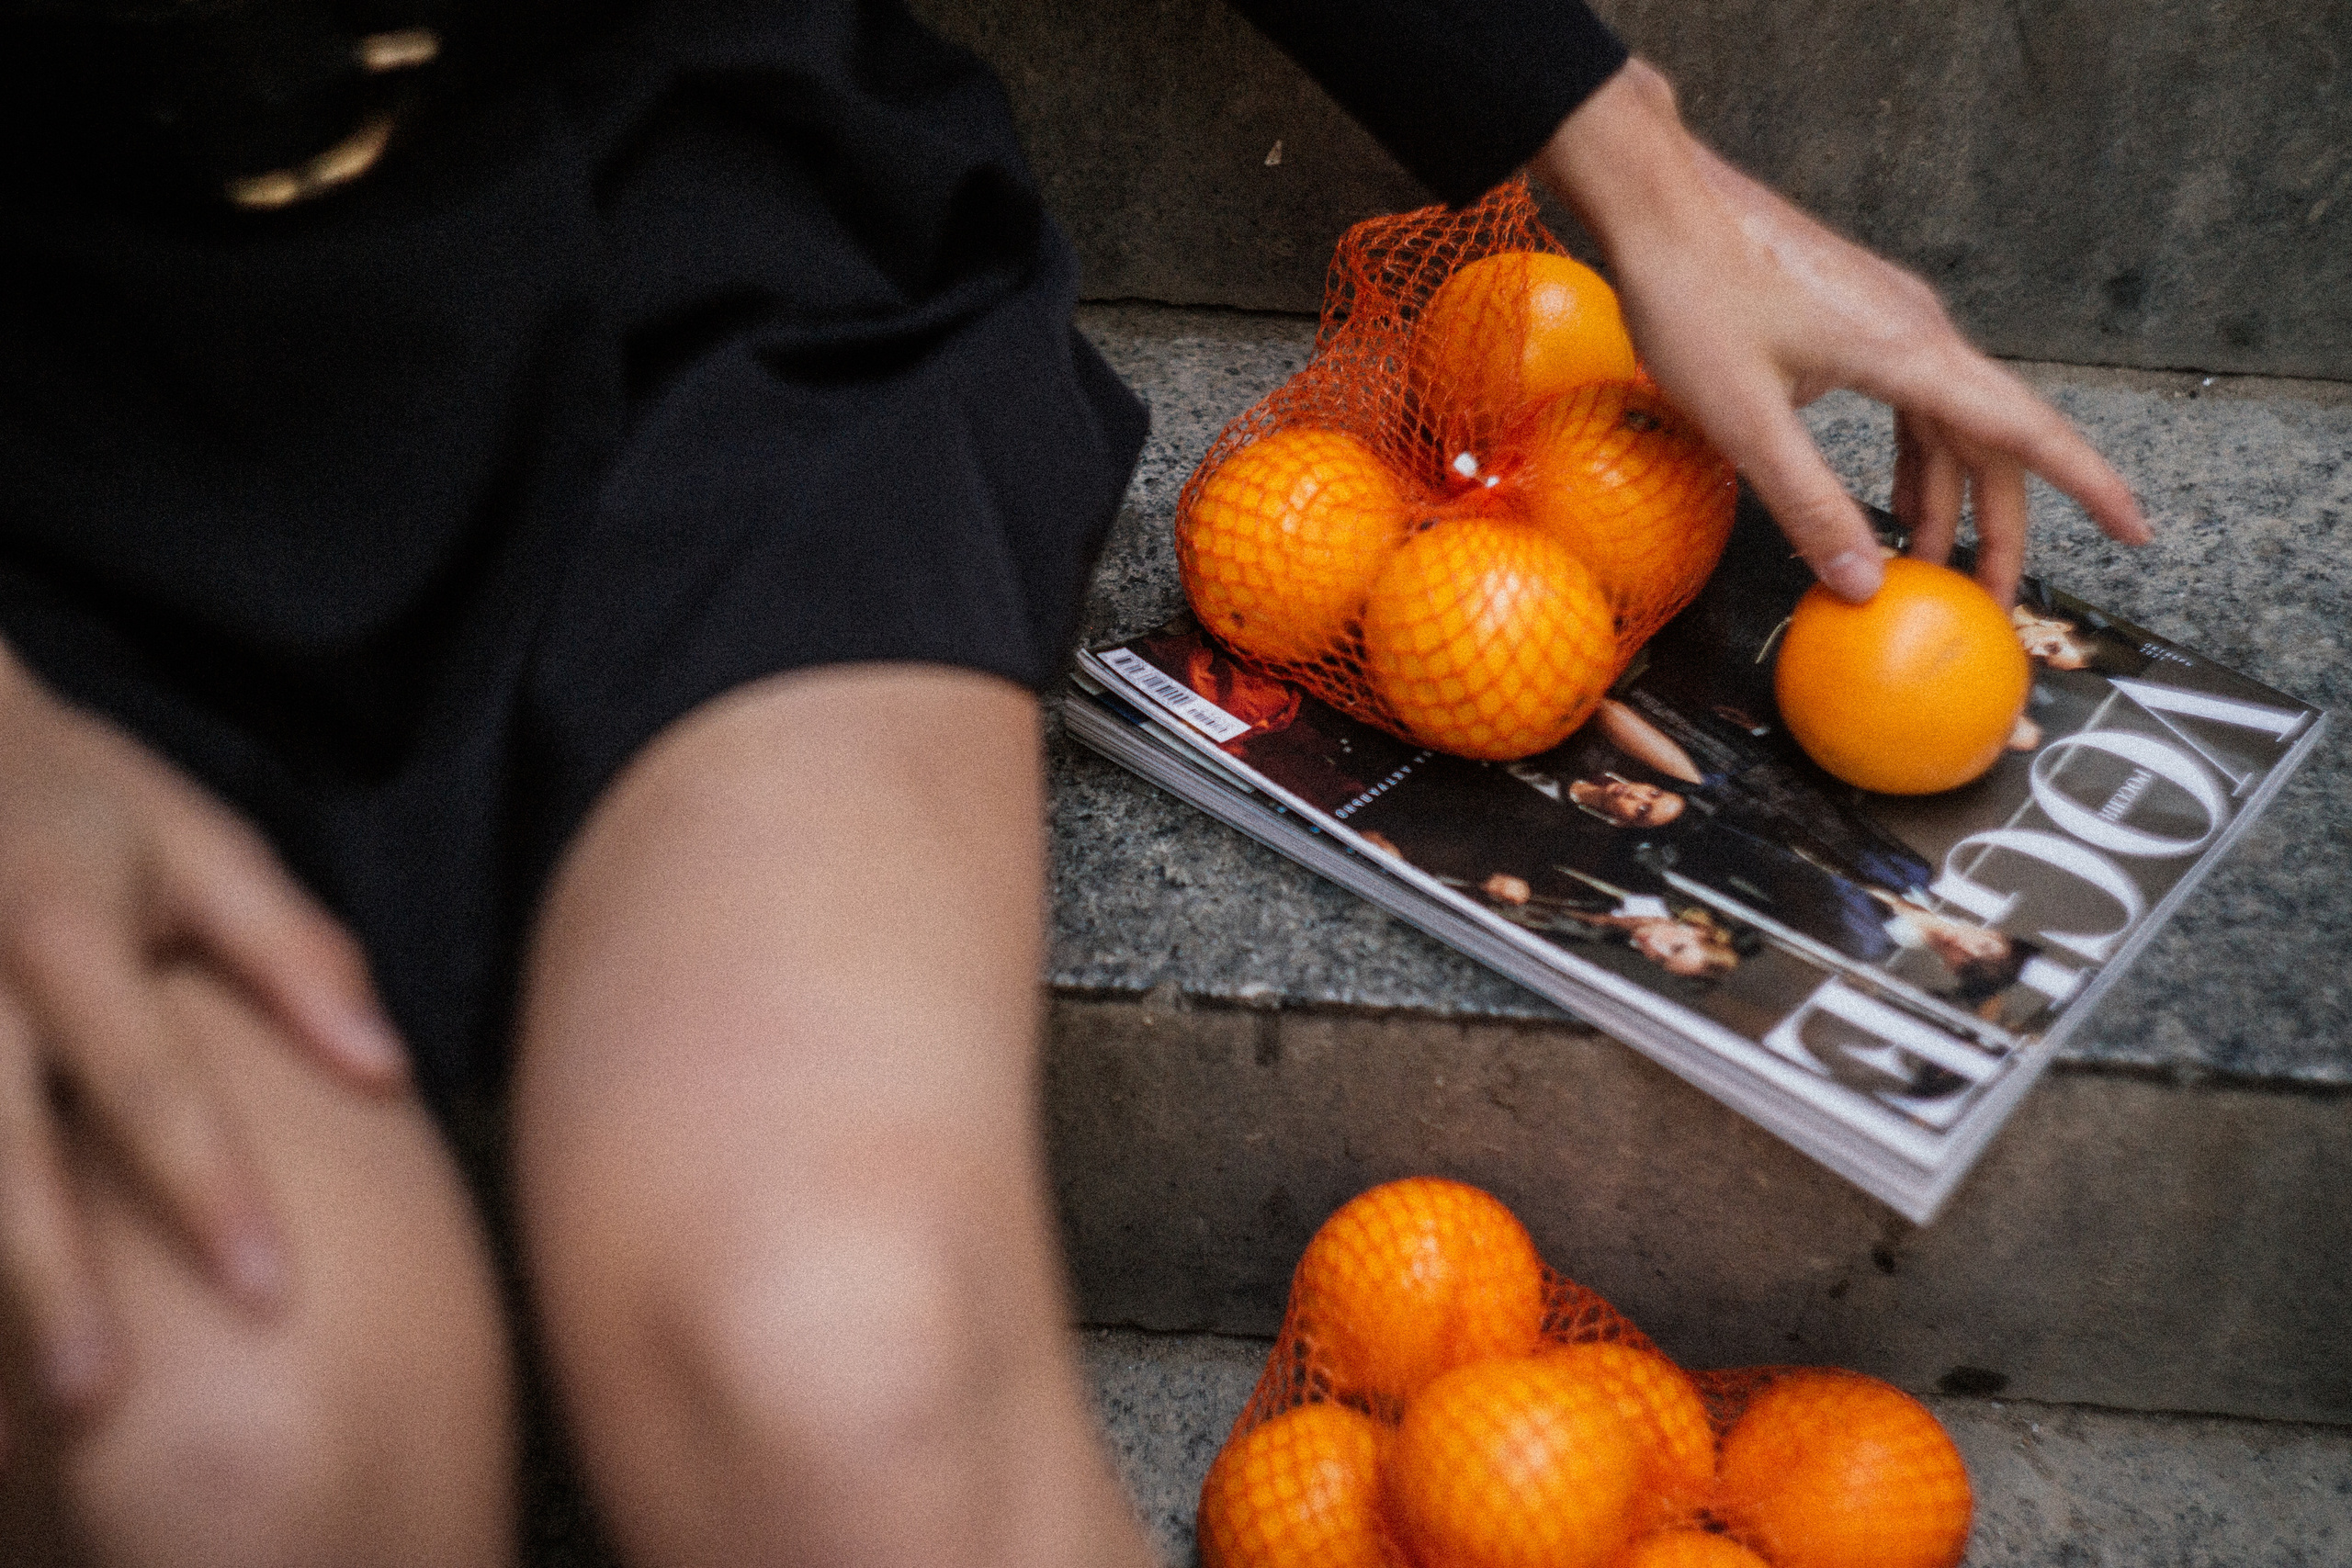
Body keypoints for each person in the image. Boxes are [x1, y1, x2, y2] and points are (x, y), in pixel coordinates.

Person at [0, 4, 2149, 1565]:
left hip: (681, 256)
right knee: (229, 1443)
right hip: (55, 466)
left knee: (844, 1356)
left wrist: (1639, 165)